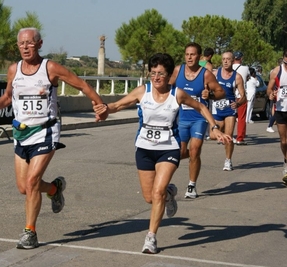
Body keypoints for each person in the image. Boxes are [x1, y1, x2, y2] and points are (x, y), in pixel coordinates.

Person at [94, 53, 231, 254]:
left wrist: (214, 127)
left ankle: (151, 237)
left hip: (169, 147)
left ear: (169, 76)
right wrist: (105, 109)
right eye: (153, 73)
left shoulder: (177, 94)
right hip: (144, 148)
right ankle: (169, 194)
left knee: (157, 192)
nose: (156, 77)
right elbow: (118, 105)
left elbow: (201, 106)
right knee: (150, 197)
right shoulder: (143, 91)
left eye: (161, 73)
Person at [0, 27, 108, 249]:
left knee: (32, 182)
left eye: (30, 43)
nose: (25, 47)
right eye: (21, 44)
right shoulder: (14, 69)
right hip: (21, 132)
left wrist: (100, 105)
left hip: (46, 130)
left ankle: (30, 232)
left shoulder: (49, 68)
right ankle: (54, 189)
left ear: (39, 44)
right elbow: (8, 96)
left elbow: (81, 84)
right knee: (23, 187)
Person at [169, 42, 225, 199]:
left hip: (199, 118)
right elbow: (167, 87)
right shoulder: (178, 70)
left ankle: (191, 185)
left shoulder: (205, 74)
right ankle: (169, 180)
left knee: (194, 149)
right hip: (181, 118)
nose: (189, 57)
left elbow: (221, 92)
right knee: (179, 152)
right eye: (187, 54)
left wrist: (211, 95)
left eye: (192, 54)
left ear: (199, 57)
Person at [211, 51, 246, 171]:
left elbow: (243, 96)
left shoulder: (237, 77)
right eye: (223, 59)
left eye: (228, 59)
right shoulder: (215, 74)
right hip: (217, 108)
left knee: (229, 136)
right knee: (212, 135)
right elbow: (206, 87)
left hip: (230, 110)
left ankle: (228, 160)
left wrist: (238, 103)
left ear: (232, 61)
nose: (225, 61)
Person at [267, 49, 287, 186]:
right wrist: (271, 94)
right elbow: (269, 89)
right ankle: (286, 162)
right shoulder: (276, 71)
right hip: (280, 109)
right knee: (284, 141)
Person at [232, 51, 250, 145]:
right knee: (241, 118)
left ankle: (226, 136)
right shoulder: (245, 68)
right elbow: (247, 77)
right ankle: (240, 138)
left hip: (230, 95)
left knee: (228, 117)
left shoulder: (227, 68)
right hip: (241, 96)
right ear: (241, 58)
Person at [266, 58, 283, 133]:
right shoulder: (275, 72)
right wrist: (272, 93)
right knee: (276, 110)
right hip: (277, 93)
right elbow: (271, 84)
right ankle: (270, 125)